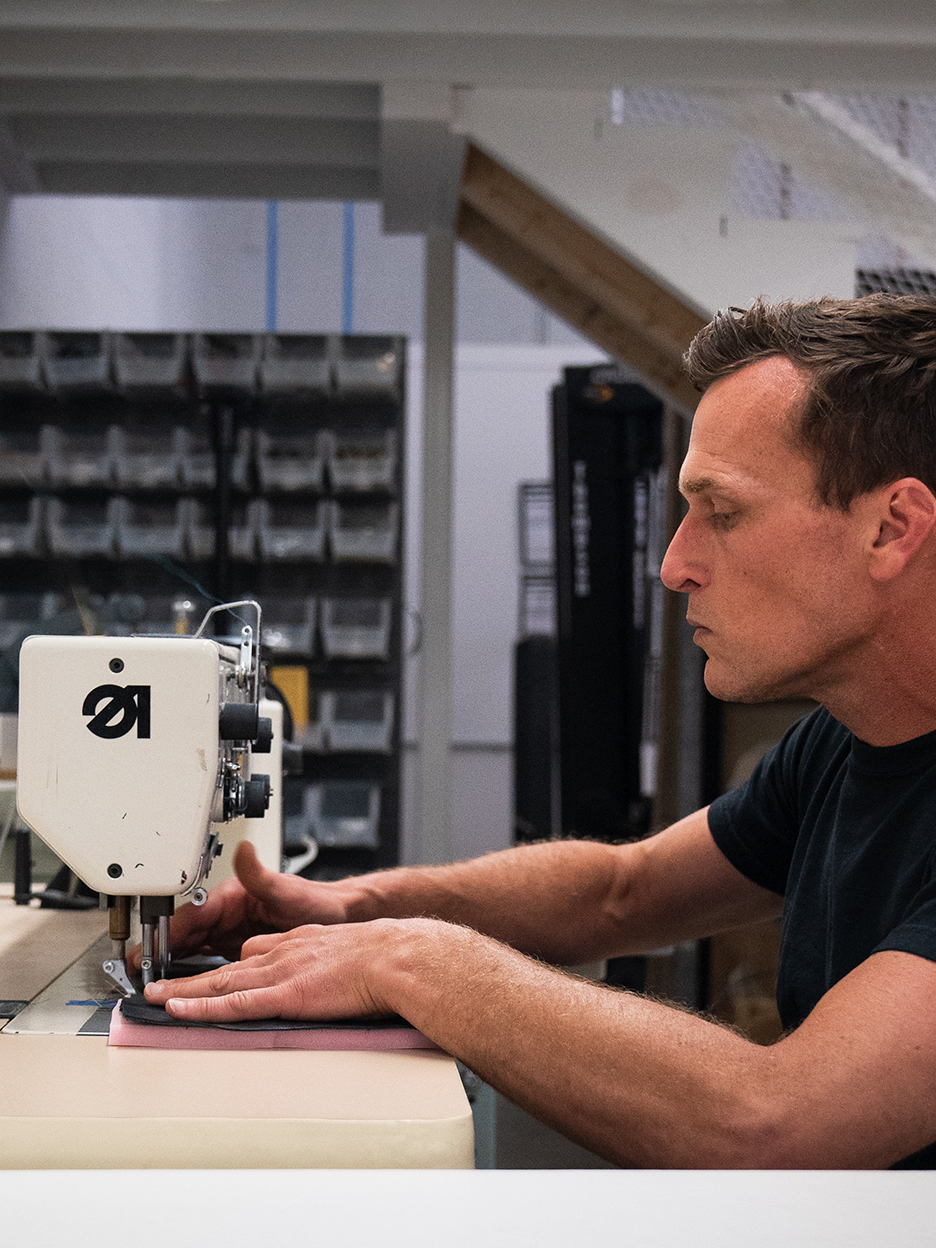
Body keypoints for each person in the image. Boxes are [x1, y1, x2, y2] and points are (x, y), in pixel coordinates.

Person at [143, 294, 936, 1169]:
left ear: (892, 528)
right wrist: (361, 907)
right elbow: (621, 891)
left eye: (725, 511)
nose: (675, 565)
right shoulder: (844, 743)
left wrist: (419, 962)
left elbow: (775, 1124)